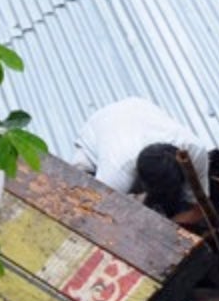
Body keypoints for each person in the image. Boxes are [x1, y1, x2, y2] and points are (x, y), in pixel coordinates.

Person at [72, 96, 210, 223]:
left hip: (138, 108)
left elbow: (199, 209)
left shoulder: (195, 152)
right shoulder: (115, 174)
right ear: (142, 184)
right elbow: (95, 217)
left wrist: (168, 228)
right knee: (75, 190)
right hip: (99, 127)